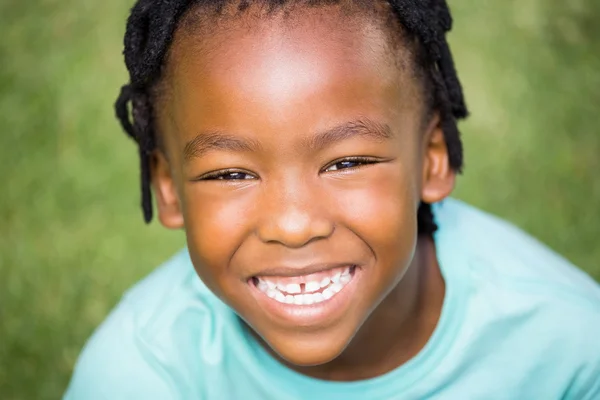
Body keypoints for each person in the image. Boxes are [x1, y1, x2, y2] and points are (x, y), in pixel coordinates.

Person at [64, 0, 600, 398]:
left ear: (433, 158)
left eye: (347, 163)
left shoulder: (571, 350)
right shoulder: (138, 376)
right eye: (230, 173)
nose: (294, 226)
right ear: (168, 189)